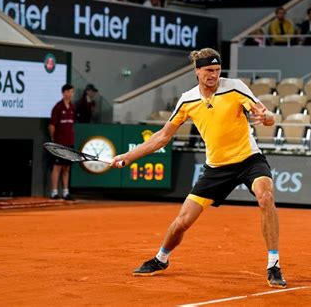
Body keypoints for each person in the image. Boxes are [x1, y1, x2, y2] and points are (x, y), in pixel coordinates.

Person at [110, 48, 287, 288]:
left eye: (217, 70)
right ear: (197, 71)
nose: (214, 74)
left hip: (249, 160)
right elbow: (162, 137)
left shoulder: (235, 87)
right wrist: (129, 156)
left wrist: (267, 118)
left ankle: (273, 265)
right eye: (208, 70)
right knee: (183, 221)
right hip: (216, 168)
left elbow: (266, 115)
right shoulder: (187, 100)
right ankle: (161, 258)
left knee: (265, 196)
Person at [49, 84, 76, 201]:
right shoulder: (58, 107)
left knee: (66, 168)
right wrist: (54, 140)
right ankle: (54, 192)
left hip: (69, 142)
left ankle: (66, 192)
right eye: (69, 92)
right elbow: (51, 126)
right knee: (57, 167)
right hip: (59, 143)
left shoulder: (72, 107)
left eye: (72, 92)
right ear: (64, 93)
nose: (70, 94)